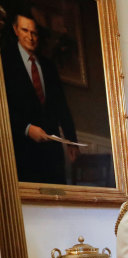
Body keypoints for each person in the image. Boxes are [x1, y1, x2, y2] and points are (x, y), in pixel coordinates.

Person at [1, 11, 79, 184]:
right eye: (25, 31)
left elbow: (61, 106)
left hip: (52, 152)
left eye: (34, 32)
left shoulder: (48, 65)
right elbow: (3, 107)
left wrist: (71, 140)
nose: (30, 37)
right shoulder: (4, 62)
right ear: (15, 30)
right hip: (22, 151)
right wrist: (27, 129)